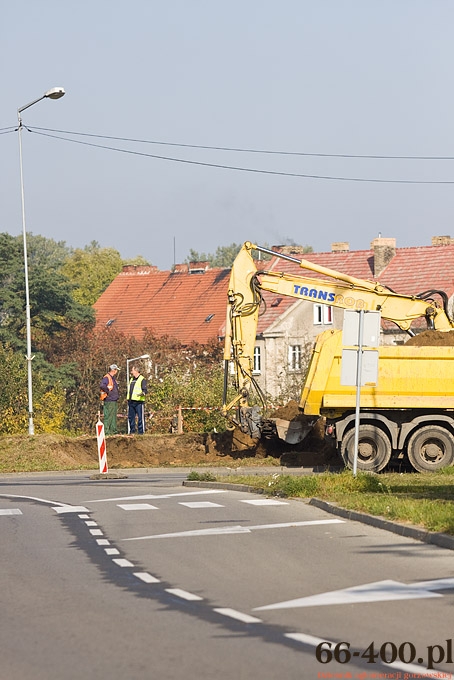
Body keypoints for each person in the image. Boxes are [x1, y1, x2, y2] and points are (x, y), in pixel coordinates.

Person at [100, 364, 120, 435]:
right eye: (116, 370)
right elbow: (102, 385)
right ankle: (107, 432)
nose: (117, 371)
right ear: (114, 370)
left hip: (113, 400)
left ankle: (113, 431)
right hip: (109, 400)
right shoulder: (107, 377)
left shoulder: (112, 378)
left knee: (113, 416)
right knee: (109, 416)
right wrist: (108, 391)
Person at [128, 365, 148, 434]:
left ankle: (141, 432)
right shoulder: (131, 379)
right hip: (131, 401)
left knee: (140, 418)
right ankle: (132, 431)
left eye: (132, 370)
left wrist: (142, 393)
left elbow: (145, 390)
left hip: (139, 402)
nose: (131, 372)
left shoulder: (142, 379)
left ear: (136, 371)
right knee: (131, 418)